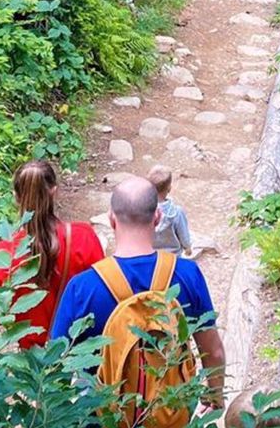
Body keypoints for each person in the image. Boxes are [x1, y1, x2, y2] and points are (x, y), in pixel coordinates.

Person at [51, 175, 225, 412]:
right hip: (168, 416)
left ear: (112, 220)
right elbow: (213, 350)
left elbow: (55, 365)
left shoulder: (82, 286)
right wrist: (214, 397)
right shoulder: (187, 273)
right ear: (158, 217)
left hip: (99, 422)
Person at [0, 159, 104, 349]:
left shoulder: (0, 257)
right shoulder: (83, 238)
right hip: (72, 352)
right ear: (54, 191)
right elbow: (99, 296)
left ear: (16, 197)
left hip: (27, 359)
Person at [148, 165, 193, 255]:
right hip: (172, 257)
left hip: (150, 256)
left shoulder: (142, 210)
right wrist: (188, 248)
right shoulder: (177, 213)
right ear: (169, 188)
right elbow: (184, 236)